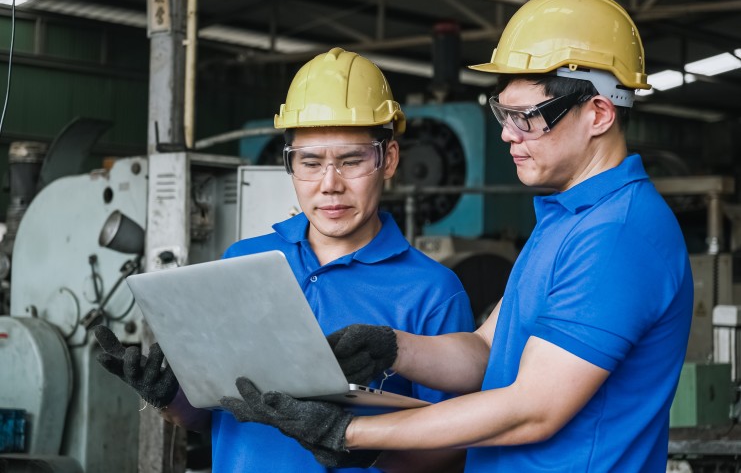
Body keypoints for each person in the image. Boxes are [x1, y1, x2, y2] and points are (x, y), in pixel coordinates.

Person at [217, 0, 694, 472]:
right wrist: (393, 347)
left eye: (526, 118)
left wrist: (352, 433)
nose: (508, 134)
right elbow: (485, 353)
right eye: (504, 114)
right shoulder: (567, 221)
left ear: (598, 113)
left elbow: (534, 410)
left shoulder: (617, 236)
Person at [94, 47, 475, 473]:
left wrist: (359, 443)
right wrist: (168, 398)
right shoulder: (243, 262)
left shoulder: (432, 291)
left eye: (351, 161)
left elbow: (457, 447)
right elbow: (214, 417)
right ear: (289, 164)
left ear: (388, 159)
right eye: (309, 163)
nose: (329, 185)